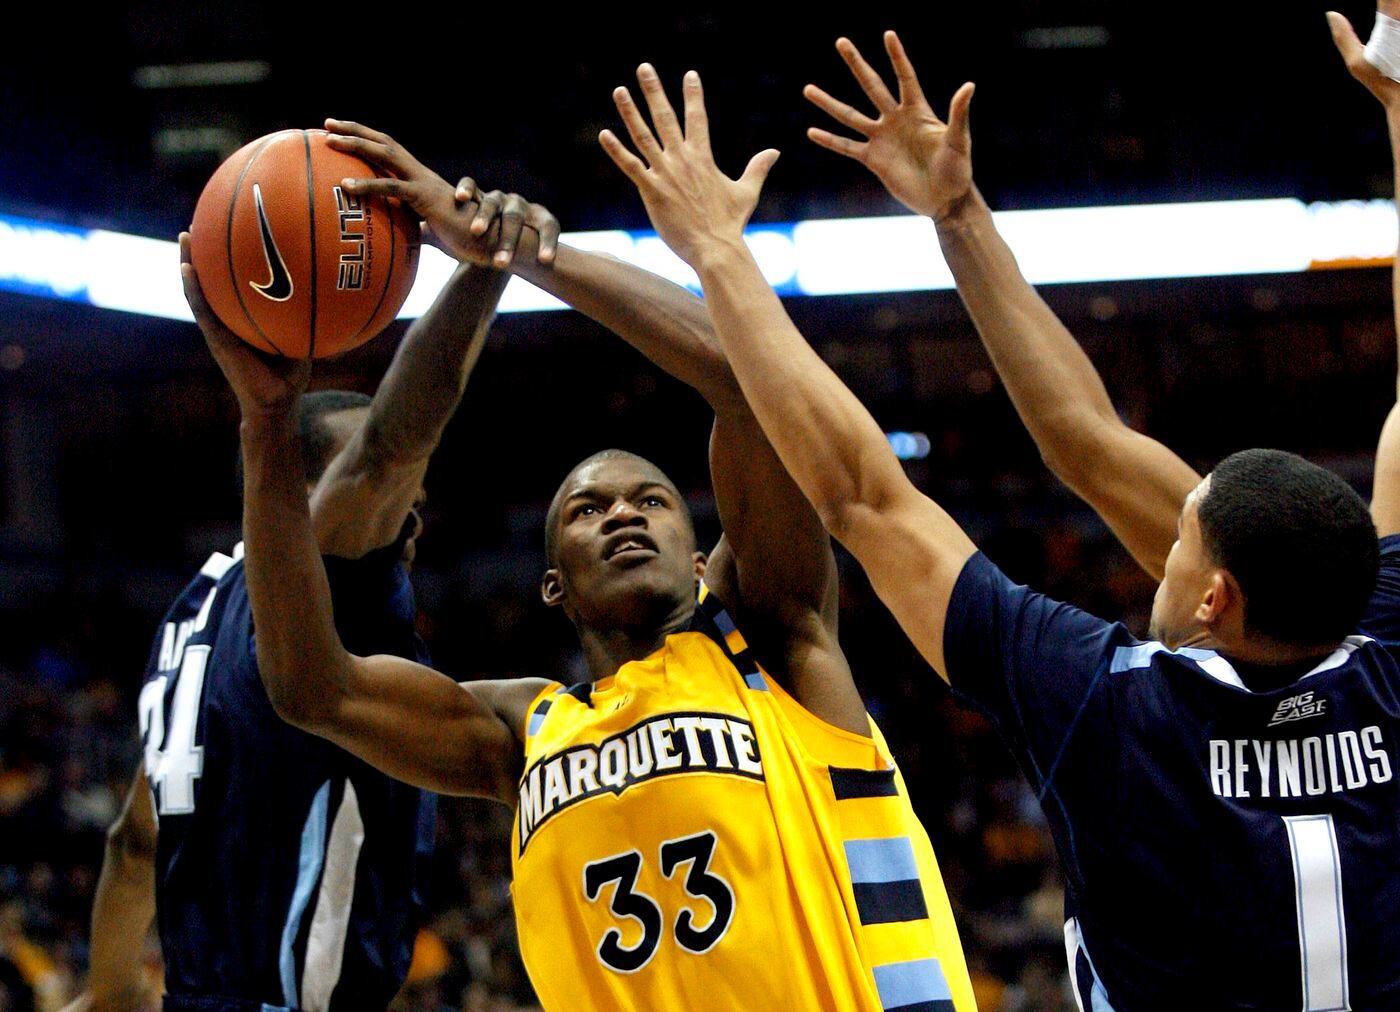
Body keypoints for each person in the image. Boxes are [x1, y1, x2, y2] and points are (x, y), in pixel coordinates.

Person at [598, 32, 1400, 1010]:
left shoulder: (1107, 707)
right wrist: (956, 214)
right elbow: (1082, 441)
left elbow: (865, 492)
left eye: (1179, 537)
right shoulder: (1384, 641)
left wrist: (719, 253)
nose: (1160, 540)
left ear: (1213, 598)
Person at [199, 117, 981, 1011]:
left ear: (702, 559)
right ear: (554, 585)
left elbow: (747, 380)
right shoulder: (524, 732)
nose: (624, 515)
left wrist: (523, 253)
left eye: (652, 501)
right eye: (588, 509)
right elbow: (310, 686)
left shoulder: (773, 644)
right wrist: (265, 426)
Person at [69, 182, 559, 1012]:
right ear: (296, 496)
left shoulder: (191, 617)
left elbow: (133, 841)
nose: (411, 514)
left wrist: (109, 990)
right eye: (396, 499)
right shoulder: (320, 583)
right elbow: (389, 445)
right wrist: (484, 270)